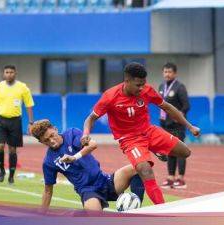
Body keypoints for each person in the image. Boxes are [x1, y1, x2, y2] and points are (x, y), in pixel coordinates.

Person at [82, 62, 200, 205]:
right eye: (138, 85)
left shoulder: (147, 90)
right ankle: (164, 211)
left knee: (185, 152)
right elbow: (91, 119)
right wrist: (86, 133)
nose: (142, 88)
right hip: (130, 140)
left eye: (143, 84)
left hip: (150, 131)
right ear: (127, 81)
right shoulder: (110, 96)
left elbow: (167, 107)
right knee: (145, 170)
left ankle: (156, 150)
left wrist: (190, 126)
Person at [30, 119, 145, 211]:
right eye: (46, 140)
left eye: (52, 135)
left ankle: (134, 209)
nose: (52, 141)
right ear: (41, 142)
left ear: (55, 129)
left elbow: (92, 145)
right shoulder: (49, 161)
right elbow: (48, 191)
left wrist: (74, 157)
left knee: (139, 167)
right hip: (88, 191)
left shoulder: (71, 134)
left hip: (105, 180)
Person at [0, 65, 35, 184]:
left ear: (15, 73)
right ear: (4, 74)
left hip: (15, 121)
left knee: (12, 150)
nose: (9, 74)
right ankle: (2, 170)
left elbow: (29, 105)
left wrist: (31, 123)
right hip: (0, 120)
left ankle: (11, 176)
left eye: (11, 72)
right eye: (7, 72)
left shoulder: (22, 87)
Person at [158, 62, 190, 189]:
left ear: (175, 73)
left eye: (169, 72)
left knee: (179, 151)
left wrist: (179, 117)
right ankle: (171, 177)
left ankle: (180, 178)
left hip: (177, 126)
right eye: (165, 71)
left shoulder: (180, 87)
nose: (167, 74)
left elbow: (186, 105)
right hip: (165, 124)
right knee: (169, 150)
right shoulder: (161, 86)